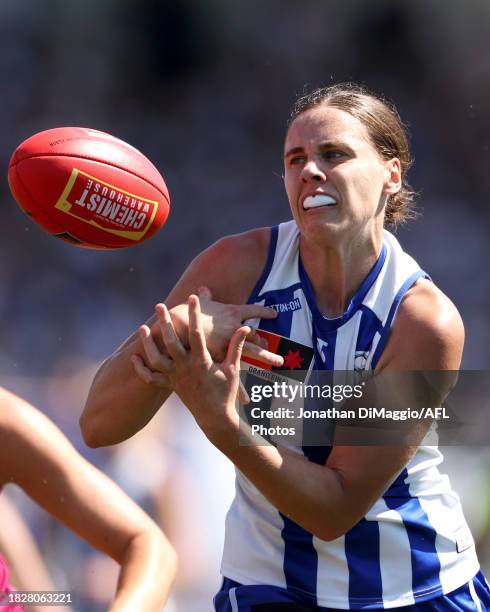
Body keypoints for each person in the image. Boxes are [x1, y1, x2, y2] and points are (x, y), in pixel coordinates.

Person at [80, 83, 490, 610]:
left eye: (334, 154)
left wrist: (221, 423)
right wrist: (178, 331)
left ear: (392, 175)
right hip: (265, 585)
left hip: (410, 590)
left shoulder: (423, 320)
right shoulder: (235, 268)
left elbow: (334, 512)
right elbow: (99, 424)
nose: (310, 171)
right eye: (295, 158)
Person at [0, 387, 177, 611]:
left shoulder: (159, 477)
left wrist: (110, 580)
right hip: (73, 597)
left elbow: (157, 548)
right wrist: (49, 603)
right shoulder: (89, 458)